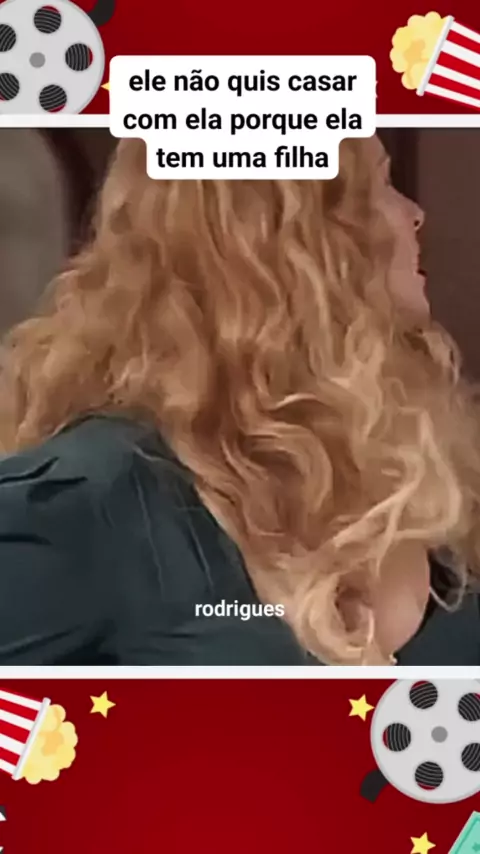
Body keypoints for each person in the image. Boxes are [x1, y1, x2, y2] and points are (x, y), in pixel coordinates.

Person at [1, 134, 480, 667]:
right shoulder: (98, 500)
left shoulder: (429, 472)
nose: (413, 214)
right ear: (292, 241)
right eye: (378, 187)